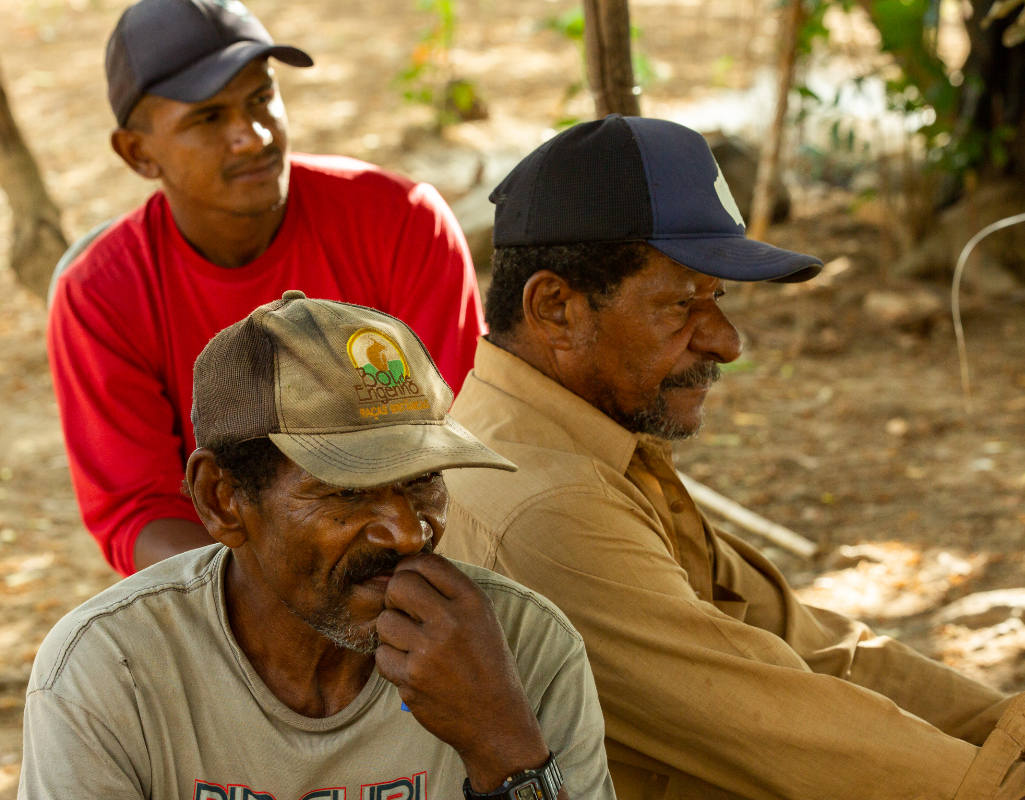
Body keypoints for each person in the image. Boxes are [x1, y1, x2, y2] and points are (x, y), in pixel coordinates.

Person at [436, 115, 1025, 800]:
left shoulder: (572, 444)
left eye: (716, 297)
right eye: (682, 304)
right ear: (556, 308)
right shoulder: (551, 507)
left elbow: (822, 651)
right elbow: (801, 735)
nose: (725, 341)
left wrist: (1004, 727)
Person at [20, 292, 614, 800]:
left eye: (423, 480)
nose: (409, 532)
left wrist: (503, 747)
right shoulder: (113, 669)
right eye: (350, 491)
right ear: (222, 499)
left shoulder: (523, 646)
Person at [47, 0, 485, 576]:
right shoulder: (102, 294)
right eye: (208, 118)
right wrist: (272, 603)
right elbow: (139, 512)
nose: (252, 138)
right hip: (229, 593)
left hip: (416, 560)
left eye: (261, 98)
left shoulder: (400, 221)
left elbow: (453, 443)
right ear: (138, 153)